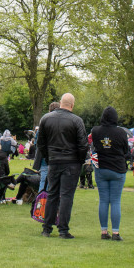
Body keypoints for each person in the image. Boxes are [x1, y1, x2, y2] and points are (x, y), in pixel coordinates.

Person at [36, 92, 88, 239]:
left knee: (52, 193)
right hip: (71, 162)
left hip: (53, 161)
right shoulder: (76, 121)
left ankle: (47, 228)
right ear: (72, 105)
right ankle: (63, 230)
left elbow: (41, 143)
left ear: (60, 102)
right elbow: (83, 144)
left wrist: (49, 156)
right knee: (66, 196)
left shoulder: (46, 119)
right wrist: (80, 160)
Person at [90, 106, 131, 241]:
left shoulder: (95, 131)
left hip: (101, 168)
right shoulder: (120, 132)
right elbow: (126, 150)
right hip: (117, 169)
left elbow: (94, 146)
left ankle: (103, 231)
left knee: (103, 200)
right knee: (115, 201)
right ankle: (115, 233)